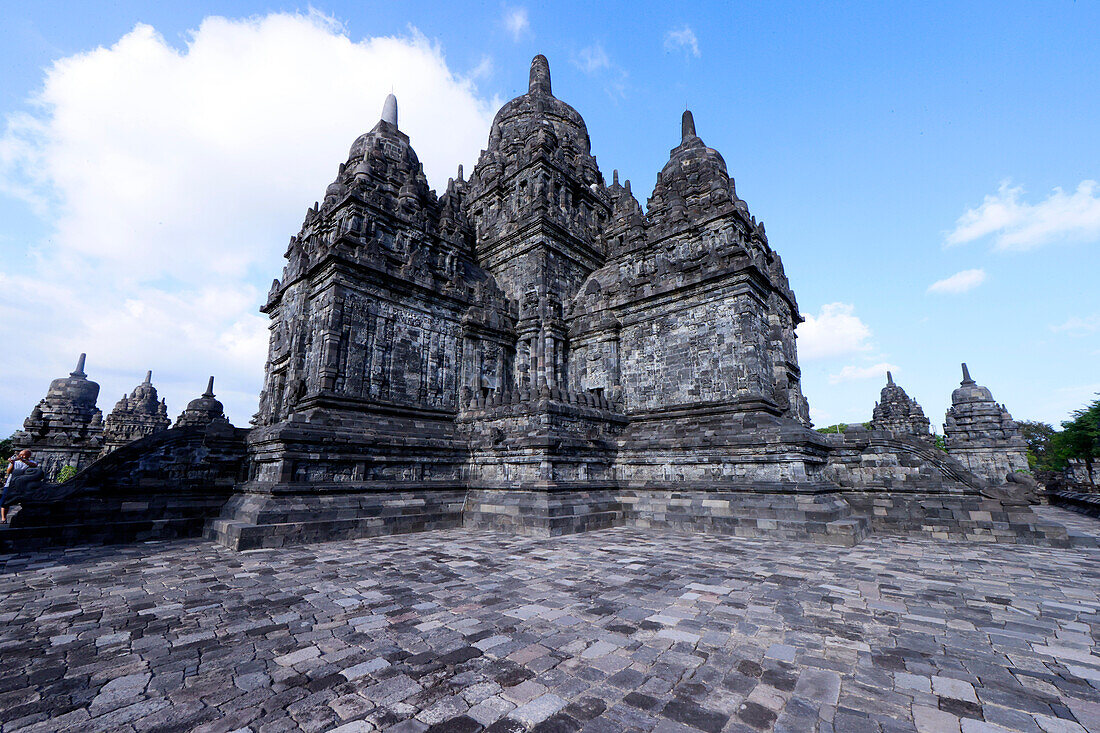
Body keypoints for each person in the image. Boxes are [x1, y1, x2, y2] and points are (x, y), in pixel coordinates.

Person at [2, 449, 36, 523]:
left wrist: (23, 460)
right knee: (5, 500)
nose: (21, 456)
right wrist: (12, 463)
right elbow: (8, 471)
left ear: (28, 455)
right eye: (20, 454)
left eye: (23, 455)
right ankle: (3, 518)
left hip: (24, 484)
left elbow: (34, 466)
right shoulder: (15, 462)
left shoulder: (32, 462)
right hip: (11, 483)